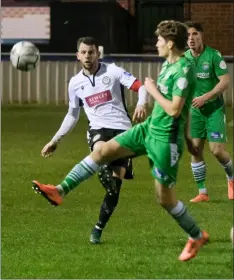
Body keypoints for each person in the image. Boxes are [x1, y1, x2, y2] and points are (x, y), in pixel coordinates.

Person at [32, 21, 209, 261]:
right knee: (102, 152)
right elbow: (183, 108)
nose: (155, 44)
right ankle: (59, 190)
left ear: (169, 43)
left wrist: (152, 91)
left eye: (158, 40)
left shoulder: (183, 70)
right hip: (147, 129)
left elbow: (176, 110)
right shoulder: (169, 64)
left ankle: (196, 235)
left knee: (164, 199)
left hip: (165, 140)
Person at [39, 36, 148, 244]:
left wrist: (141, 103)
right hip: (99, 129)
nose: (88, 56)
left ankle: (98, 228)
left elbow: (140, 86)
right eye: (84, 52)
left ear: (98, 53)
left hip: (124, 130)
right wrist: (56, 140)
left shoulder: (113, 71)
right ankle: (62, 189)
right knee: (100, 150)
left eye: (91, 52)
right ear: (77, 55)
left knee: (114, 187)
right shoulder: (75, 83)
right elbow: (72, 114)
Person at [184, 22, 233, 202]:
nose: (191, 38)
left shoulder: (213, 55)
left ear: (201, 36)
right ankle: (203, 192)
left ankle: (232, 179)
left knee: (217, 150)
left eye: (194, 34)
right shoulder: (184, 58)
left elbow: (225, 81)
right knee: (195, 150)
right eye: (188, 35)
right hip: (194, 112)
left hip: (214, 109)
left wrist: (206, 96)